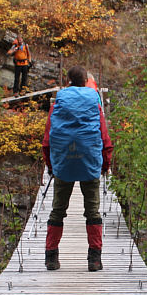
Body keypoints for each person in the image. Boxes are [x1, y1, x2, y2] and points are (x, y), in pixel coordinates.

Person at [42, 65, 113, 272]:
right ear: (85, 82)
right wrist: (105, 164)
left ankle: (51, 258)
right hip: (90, 162)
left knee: (57, 211)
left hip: (63, 164)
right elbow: (105, 138)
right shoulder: (95, 101)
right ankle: (94, 260)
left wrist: (51, 166)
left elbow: (47, 140)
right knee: (92, 212)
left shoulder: (58, 103)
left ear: (68, 82)